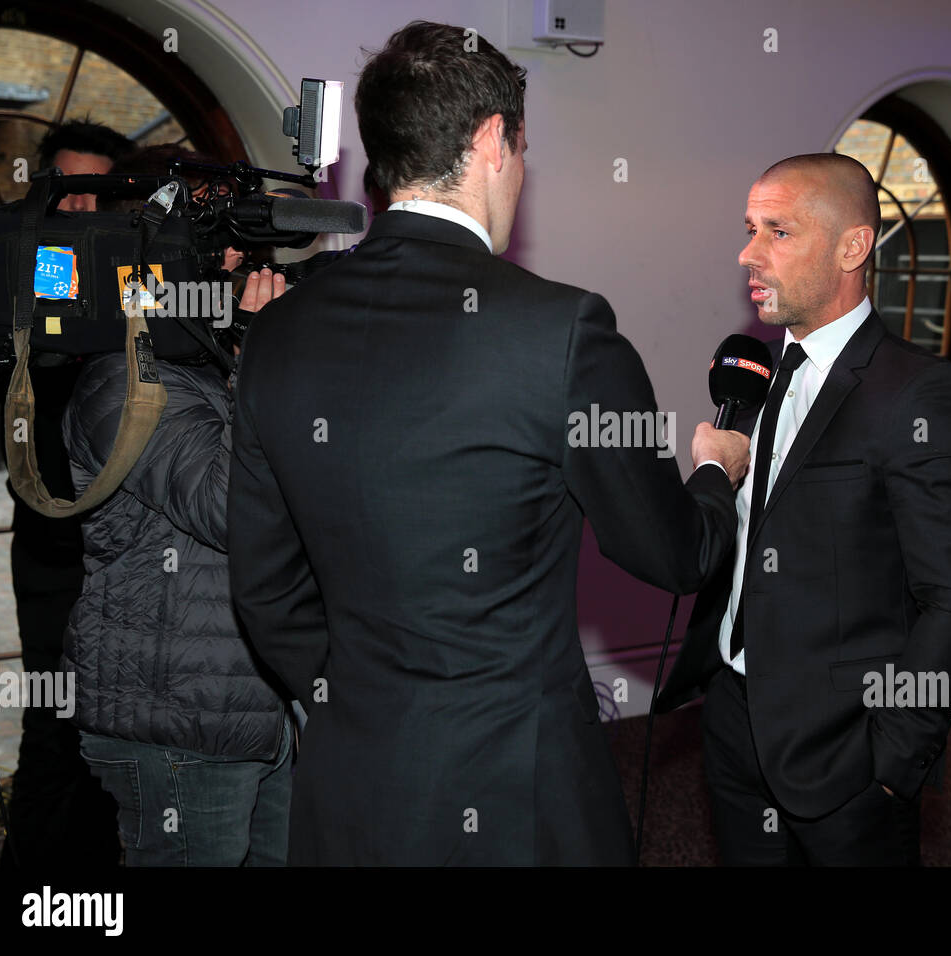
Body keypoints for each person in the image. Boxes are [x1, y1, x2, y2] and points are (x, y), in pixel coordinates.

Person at [226, 20, 749, 866]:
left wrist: (358, 694)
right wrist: (715, 476)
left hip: (350, 779)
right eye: (523, 146)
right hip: (516, 790)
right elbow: (674, 555)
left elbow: (264, 590)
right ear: (490, 142)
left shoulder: (278, 331)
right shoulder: (564, 330)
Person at [657, 153, 951, 866]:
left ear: (852, 247)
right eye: (750, 229)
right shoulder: (755, 377)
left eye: (777, 232)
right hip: (732, 722)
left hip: (848, 750)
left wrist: (893, 762)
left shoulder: (918, 393)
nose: (747, 253)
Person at [60, 145, 293, 864]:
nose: (240, 264)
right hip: (176, 726)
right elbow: (231, 507)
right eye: (219, 248)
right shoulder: (121, 382)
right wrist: (263, 349)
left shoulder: (211, 364)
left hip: (256, 707)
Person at [0, 120, 134, 868]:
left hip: (132, 562)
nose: (81, 214)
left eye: (96, 197)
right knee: (54, 731)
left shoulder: (139, 283)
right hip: (53, 559)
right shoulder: (26, 284)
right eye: (66, 195)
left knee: (126, 738)